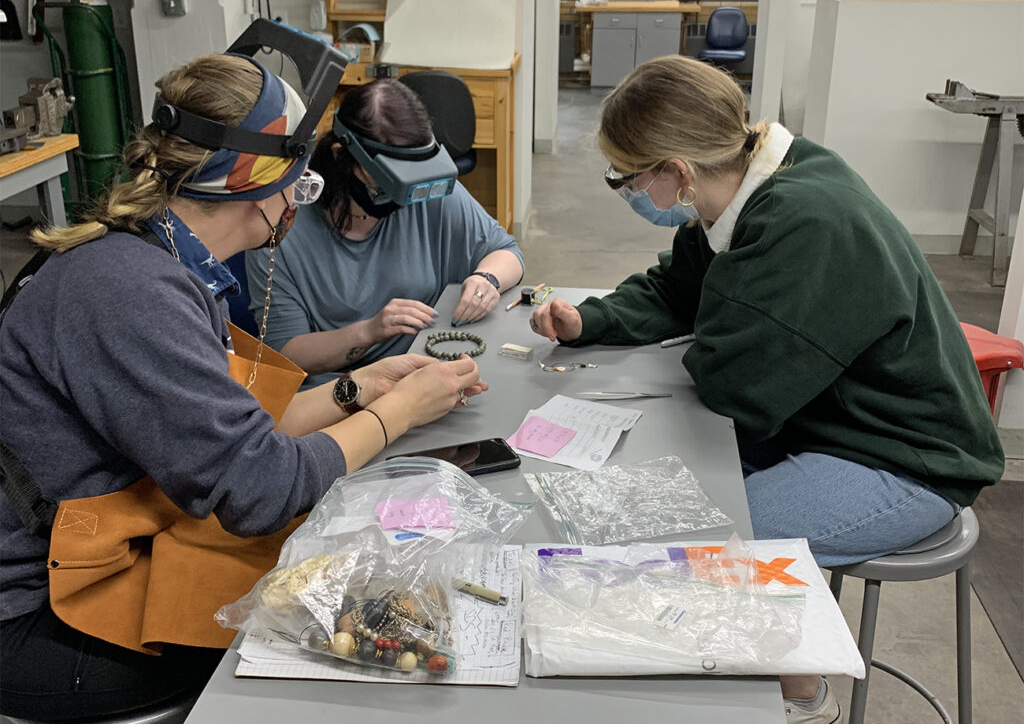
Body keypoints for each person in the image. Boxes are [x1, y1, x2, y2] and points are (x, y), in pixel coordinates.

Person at [0, 46, 486, 721]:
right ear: (252, 180)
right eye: (299, 174)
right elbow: (259, 487)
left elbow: (233, 428)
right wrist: (398, 413)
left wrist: (359, 388)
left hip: (103, 552)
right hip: (38, 611)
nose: (302, 194)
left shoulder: (163, 254)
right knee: (323, 640)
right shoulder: (131, 289)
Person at [529, 55, 1004, 724]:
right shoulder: (747, 185)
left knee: (707, 540)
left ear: (679, 171)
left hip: (905, 458)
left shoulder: (801, 219)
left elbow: (734, 388)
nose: (633, 191)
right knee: (656, 499)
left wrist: (710, 331)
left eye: (631, 177)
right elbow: (677, 288)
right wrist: (591, 319)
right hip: (826, 423)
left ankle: (800, 694)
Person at [246, 78, 524, 388]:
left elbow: (507, 253)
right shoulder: (281, 223)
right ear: (342, 156)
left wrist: (486, 279)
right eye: (385, 184)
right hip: (342, 394)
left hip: (427, 376)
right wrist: (369, 331)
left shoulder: (429, 189)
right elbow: (286, 354)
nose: (402, 200)